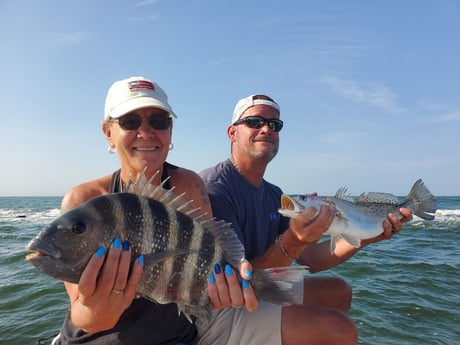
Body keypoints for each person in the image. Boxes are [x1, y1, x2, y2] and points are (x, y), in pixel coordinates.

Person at [52, 77, 256, 345]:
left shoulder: (188, 184)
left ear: (170, 131)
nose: (146, 132)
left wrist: (231, 281)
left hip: (178, 337)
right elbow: (86, 317)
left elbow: (207, 254)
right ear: (108, 132)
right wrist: (97, 305)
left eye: (159, 121)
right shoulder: (84, 200)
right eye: (130, 121)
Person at [198, 94, 413, 345]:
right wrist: (295, 239)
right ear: (232, 133)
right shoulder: (214, 188)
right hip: (218, 306)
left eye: (275, 125)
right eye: (255, 122)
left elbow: (310, 259)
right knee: (339, 330)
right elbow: (233, 278)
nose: (266, 129)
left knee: (339, 291)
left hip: (256, 288)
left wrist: (367, 236)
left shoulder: (273, 193)